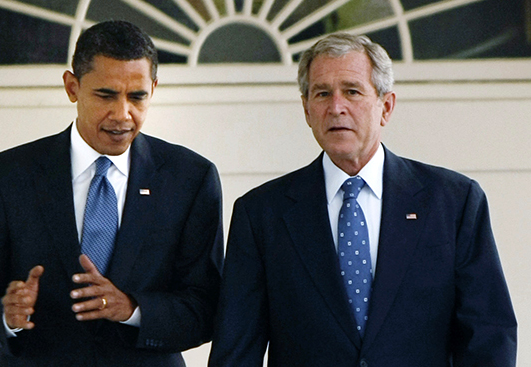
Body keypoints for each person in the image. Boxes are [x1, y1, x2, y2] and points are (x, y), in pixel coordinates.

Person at [208, 33, 516, 367]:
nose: (336, 107)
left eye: (352, 91)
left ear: (386, 106)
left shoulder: (453, 202)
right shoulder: (262, 213)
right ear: (307, 109)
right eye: (322, 93)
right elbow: (236, 351)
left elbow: (488, 336)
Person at [0, 20, 223, 367]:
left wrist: (133, 310)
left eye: (137, 97)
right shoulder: (8, 175)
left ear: (154, 88)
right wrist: (4, 314)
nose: (123, 115)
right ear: (72, 86)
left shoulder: (191, 178)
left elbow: (207, 307)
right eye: (105, 95)